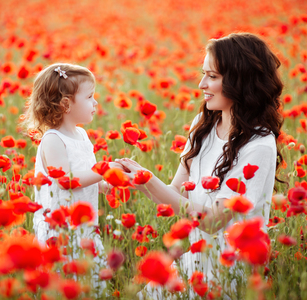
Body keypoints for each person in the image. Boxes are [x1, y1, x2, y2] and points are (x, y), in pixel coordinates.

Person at [117, 32, 284, 298]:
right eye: (204, 73)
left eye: (213, 77)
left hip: (227, 270)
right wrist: (130, 179)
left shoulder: (259, 145)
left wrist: (148, 179)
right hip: (192, 261)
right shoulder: (203, 125)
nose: (201, 84)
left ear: (241, 81)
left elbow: (214, 222)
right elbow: (176, 193)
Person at [20, 63, 114, 294]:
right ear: (66, 104)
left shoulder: (81, 135)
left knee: (89, 285)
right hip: (60, 231)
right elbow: (65, 181)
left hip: (84, 226)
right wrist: (104, 169)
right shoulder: (53, 140)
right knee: (65, 286)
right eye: (90, 97)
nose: (96, 103)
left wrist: (103, 184)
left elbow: (86, 171)